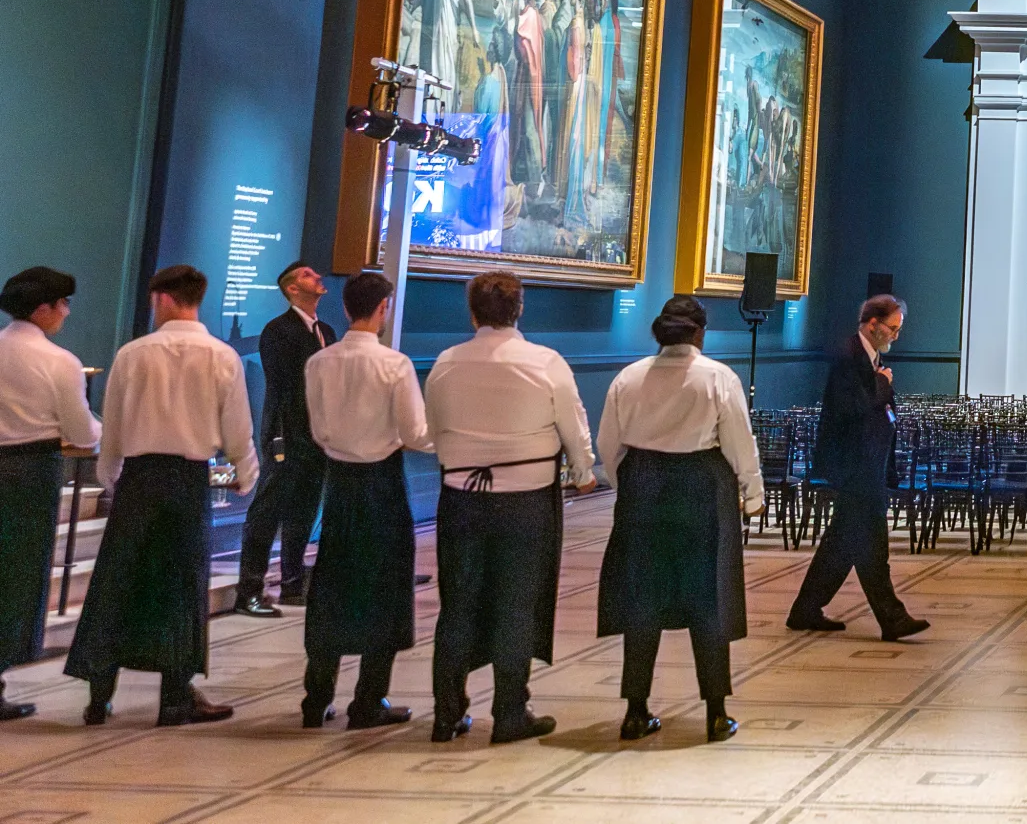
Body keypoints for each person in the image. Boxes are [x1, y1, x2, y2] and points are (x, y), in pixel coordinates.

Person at [66, 265, 256, 727]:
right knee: (182, 585)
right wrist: (246, 474)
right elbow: (238, 427)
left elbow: (113, 425)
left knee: (118, 580)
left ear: (163, 299)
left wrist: (110, 474)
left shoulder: (133, 354)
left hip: (140, 478)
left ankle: (99, 695)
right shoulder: (222, 356)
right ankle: (174, 697)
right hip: (189, 480)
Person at [422, 270, 594, 744]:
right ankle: (510, 711)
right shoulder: (545, 362)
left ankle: (446, 711)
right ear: (519, 309)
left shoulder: (447, 362)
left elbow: (433, 430)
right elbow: (573, 426)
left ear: (472, 311)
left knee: (456, 604)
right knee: (517, 604)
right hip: (527, 502)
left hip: (461, 500)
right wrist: (583, 473)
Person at [594, 296, 763, 743]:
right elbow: (738, 443)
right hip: (701, 488)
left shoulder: (627, 378)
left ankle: (635, 711)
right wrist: (753, 492)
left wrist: (628, 486)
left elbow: (608, 446)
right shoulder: (717, 378)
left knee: (641, 602)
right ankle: (715, 713)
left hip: (644, 490)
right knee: (709, 599)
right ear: (699, 333)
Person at [300, 270, 430, 730]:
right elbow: (415, 434)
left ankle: (315, 698)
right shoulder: (394, 365)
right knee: (385, 588)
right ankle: (368, 698)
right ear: (382, 309)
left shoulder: (319, 363)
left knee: (333, 585)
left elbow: (318, 430)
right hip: (383, 483)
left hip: (339, 485)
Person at [787, 295, 927, 641]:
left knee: (845, 542)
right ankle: (891, 617)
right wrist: (882, 383)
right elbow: (853, 407)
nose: (896, 335)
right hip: (855, 467)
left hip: (867, 466)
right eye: (892, 328)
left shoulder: (869, 356)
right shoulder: (849, 356)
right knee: (870, 543)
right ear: (873, 324)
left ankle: (805, 610)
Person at [0, 267, 101, 720]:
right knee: (17, 575)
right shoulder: (59, 361)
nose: (66, 312)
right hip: (30, 472)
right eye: (63, 304)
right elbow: (81, 430)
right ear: (43, 310)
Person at [236, 261, 336, 616]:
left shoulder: (326, 330)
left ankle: (293, 583)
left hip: (317, 436)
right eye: (309, 275)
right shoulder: (278, 330)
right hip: (286, 432)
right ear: (292, 288)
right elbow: (287, 385)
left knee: (304, 510)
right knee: (268, 509)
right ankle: (249, 587)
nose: (317, 277)